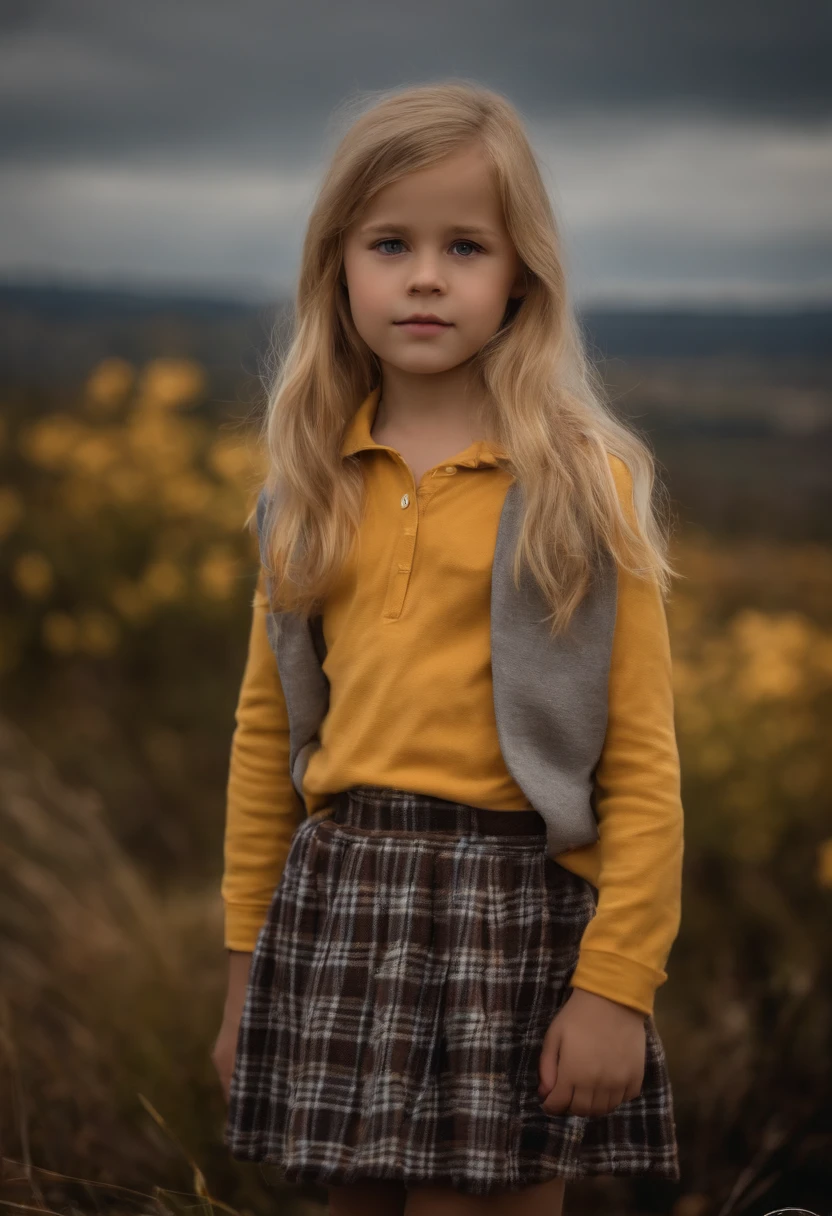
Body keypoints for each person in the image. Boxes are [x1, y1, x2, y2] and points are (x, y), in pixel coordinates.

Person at [211, 79, 684, 1216]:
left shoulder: (580, 485)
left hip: (509, 916)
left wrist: (616, 987)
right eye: (390, 242)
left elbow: (642, 757)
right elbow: (266, 735)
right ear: (339, 266)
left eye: (464, 244)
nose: (425, 274)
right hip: (340, 905)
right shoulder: (308, 486)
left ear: (521, 274)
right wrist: (242, 977)